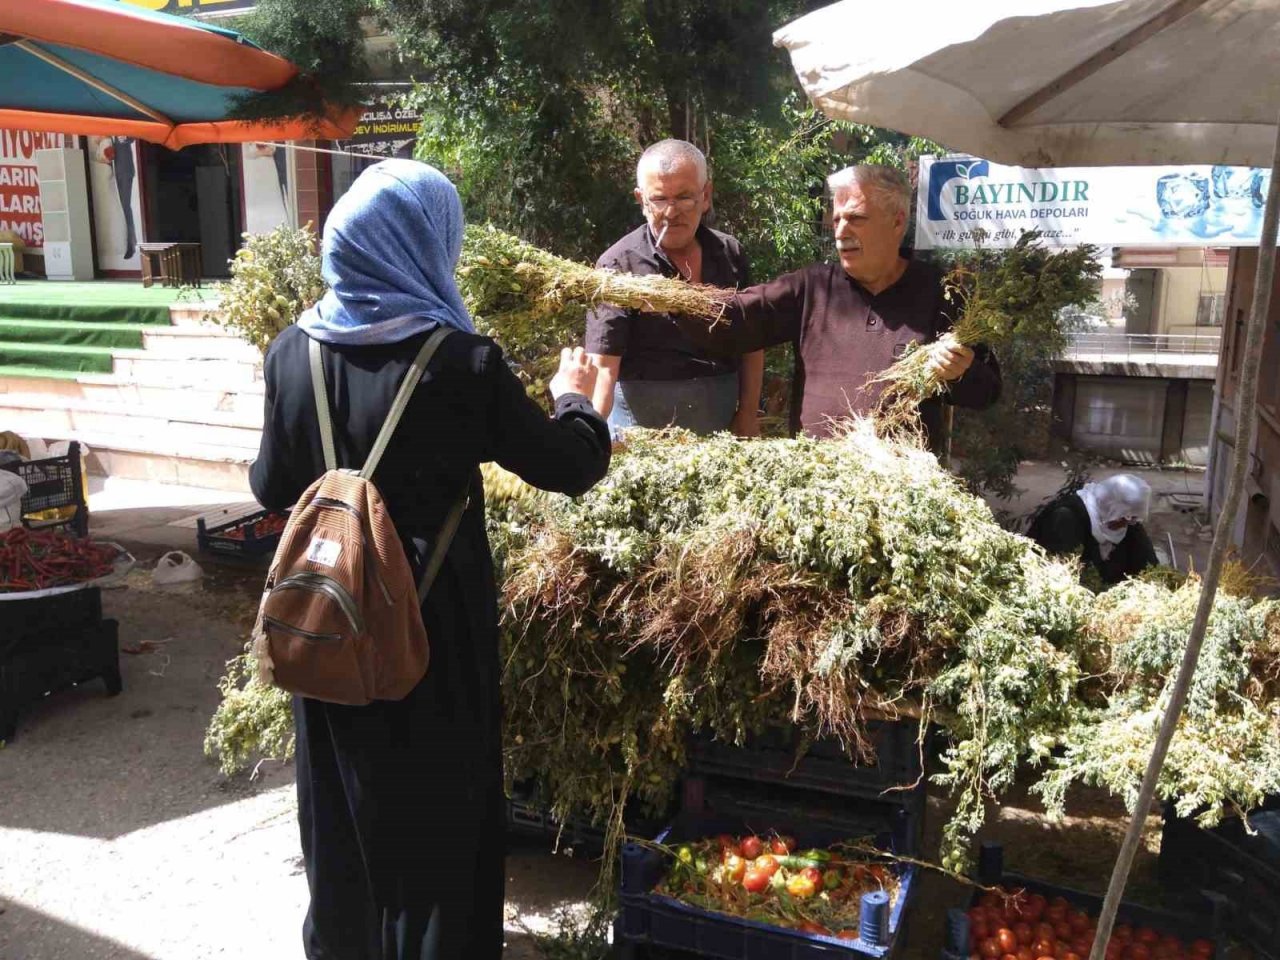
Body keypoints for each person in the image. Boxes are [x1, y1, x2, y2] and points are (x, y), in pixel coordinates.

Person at [248, 159, 611, 960]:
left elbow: (270, 484)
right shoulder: (461, 363)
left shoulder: (289, 353)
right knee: (439, 827)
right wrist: (581, 400)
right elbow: (570, 465)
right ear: (427, 243)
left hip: (328, 629)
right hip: (430, 635)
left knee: (341, 822)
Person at [666, 164, 1001, 452]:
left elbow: (987, 391)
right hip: (819, 486)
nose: (841, 231)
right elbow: (737, 319)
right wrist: (670, 297)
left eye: (856, 218)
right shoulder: (811, 287)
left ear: (897, 222)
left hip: (900, 492)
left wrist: (962, 371)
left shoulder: (940, 293)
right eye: (837, 218)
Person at [585, 139, 764, 437]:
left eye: (684, 198)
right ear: (641, 200)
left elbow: (752, 343)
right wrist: (590, 432)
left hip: (719, 427)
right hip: (640, 431)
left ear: (706, 196)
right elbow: (603, 365)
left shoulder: (729, 253)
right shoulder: (618, 265)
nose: (671, 212)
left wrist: (747, 415)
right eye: (659, 199)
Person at [1027, 474, 1159, 585]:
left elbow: (1150, 567)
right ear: (1109, 505)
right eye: (1124, 517)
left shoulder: (1129, 523)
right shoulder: (1066, 518)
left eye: (1133, 519)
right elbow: (1060, 577)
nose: (1127, 524)